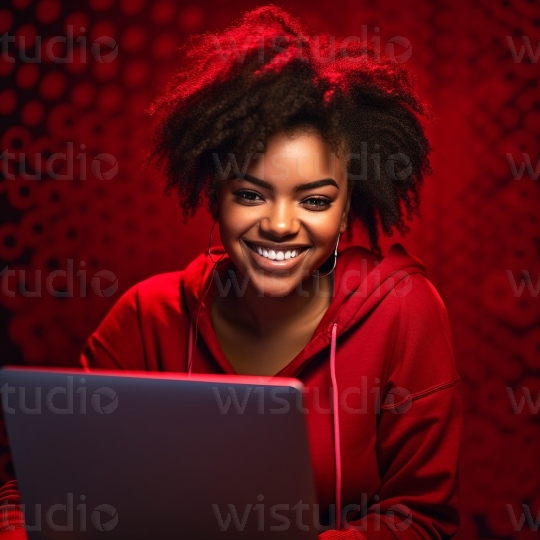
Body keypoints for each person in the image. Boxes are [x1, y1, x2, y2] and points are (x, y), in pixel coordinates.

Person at [0, 4, 462, 539]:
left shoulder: (404, 314)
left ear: (345, 212)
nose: (281, 224)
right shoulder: (147, 317)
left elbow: (422, 519)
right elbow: (35, 488)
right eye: (250, 194)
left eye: (314, 201)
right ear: (214, 195)